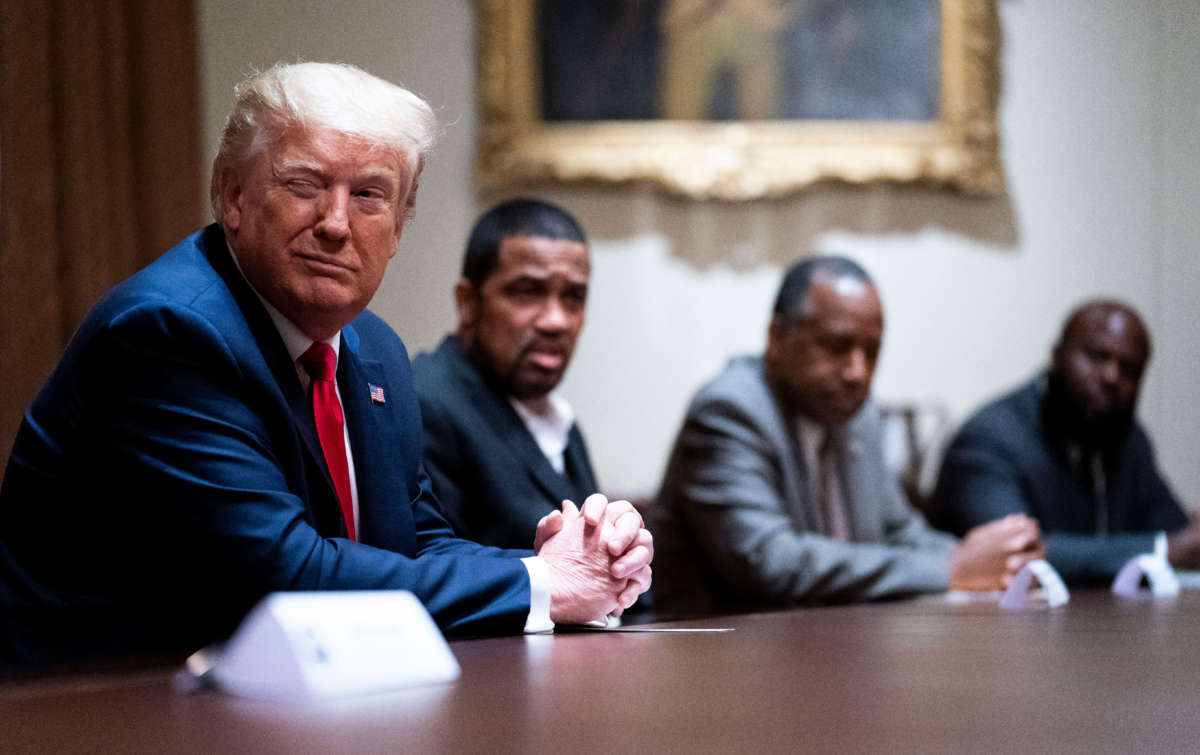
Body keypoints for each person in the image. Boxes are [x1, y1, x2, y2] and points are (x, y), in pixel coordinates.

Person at [0, 62, 651, 668]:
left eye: (370, 195)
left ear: (398, 228)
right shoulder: (169, 332)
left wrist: (574, 563)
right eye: (305, 184)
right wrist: (543, 585)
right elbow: (285, 574)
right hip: (96, 708)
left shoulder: (377, 352)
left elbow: (414, 542)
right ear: (232, 196)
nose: (336, 223)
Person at [650, 256, 1043, 616]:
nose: (858, 372)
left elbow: (901, 532)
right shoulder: (729, 410)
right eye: (837, 346)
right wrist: (950, 567)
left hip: (828, 649)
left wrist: (999, 560)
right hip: (712, 661)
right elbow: (770, 564)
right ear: (776, 338)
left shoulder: (859, 416)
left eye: (872, 351)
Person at [930, 299, 1200, 583]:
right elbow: (1016, 555)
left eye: (1130, 369)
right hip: (990, 625)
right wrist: (1164, 551)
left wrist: (1187, 542)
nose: (1112, 376)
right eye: (1097, 357)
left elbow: (1181, 535)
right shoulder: (989, 439)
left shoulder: (1127, 438)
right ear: (1056, 356)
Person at [412, 199, 599, 550]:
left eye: (573, 297)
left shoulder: (554, 415)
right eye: (528, 292)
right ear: (468, 302)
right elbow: (440, 568)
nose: (555, 321)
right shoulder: (425, 404)